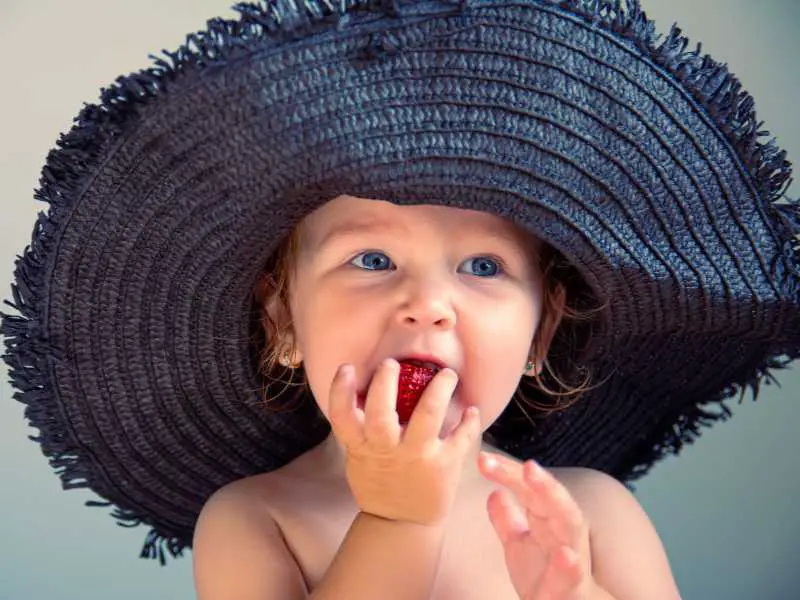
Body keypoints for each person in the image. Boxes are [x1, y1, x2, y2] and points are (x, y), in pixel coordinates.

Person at [2, 0, 797, 599]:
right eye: (373, 258)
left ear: (543, 331)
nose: (430, 304)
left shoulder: (589, 513)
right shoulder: (254, 519)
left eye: (483, 267)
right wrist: (395, 520)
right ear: (283, 322)